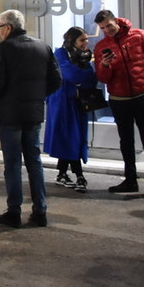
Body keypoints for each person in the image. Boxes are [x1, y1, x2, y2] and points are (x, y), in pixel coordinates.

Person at [0, 9, 62, 228]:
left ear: (8, 27)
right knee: (34, 161)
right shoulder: (42, 46)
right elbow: (56, 80)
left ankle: (14, 211)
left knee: (13, 164)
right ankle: (40, 211)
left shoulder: (3, 50)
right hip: (33, 113)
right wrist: (37, 96)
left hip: (9, 115)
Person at [93, 9, 144, 201]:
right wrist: (104, 65)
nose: (107, 30)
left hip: (143, 96)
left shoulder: (139, 36)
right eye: (103, 28)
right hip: (119, 100)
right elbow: (103, 78)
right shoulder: (102, 46)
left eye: (109, 25)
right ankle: (130, 179)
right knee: (126, 141)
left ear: (116, 21)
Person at [44, 26, 97, 192]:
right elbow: (73, 75)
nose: (86, 43)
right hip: (62, 102)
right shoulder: (60, 53)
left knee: (73, 138)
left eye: (86, 39)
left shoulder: (83, 56)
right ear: (72, 40)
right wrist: (86, 75)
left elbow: (91, 79)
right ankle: (78, 175)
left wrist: (86, 75)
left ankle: (62, 174)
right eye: (82, 40)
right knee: (69, 137)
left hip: (76, 101)